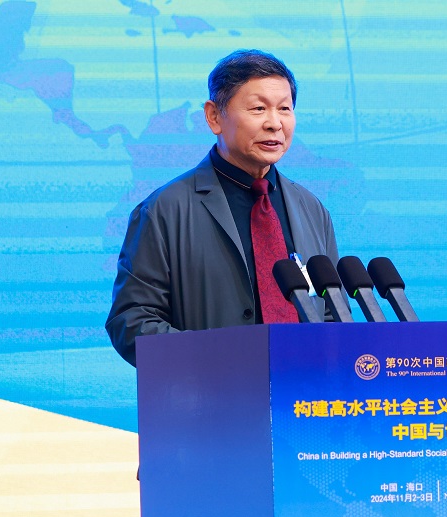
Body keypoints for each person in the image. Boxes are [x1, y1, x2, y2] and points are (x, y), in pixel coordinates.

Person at [106, 49, 339, 366]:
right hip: (209, 392)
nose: (275, 123)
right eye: (258, 108)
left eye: (284, 109)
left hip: (303, 391)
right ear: (214, 116)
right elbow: (132, 322)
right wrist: (220, 362)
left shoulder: (311, 209)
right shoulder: (164, 210)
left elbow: (333, 312)